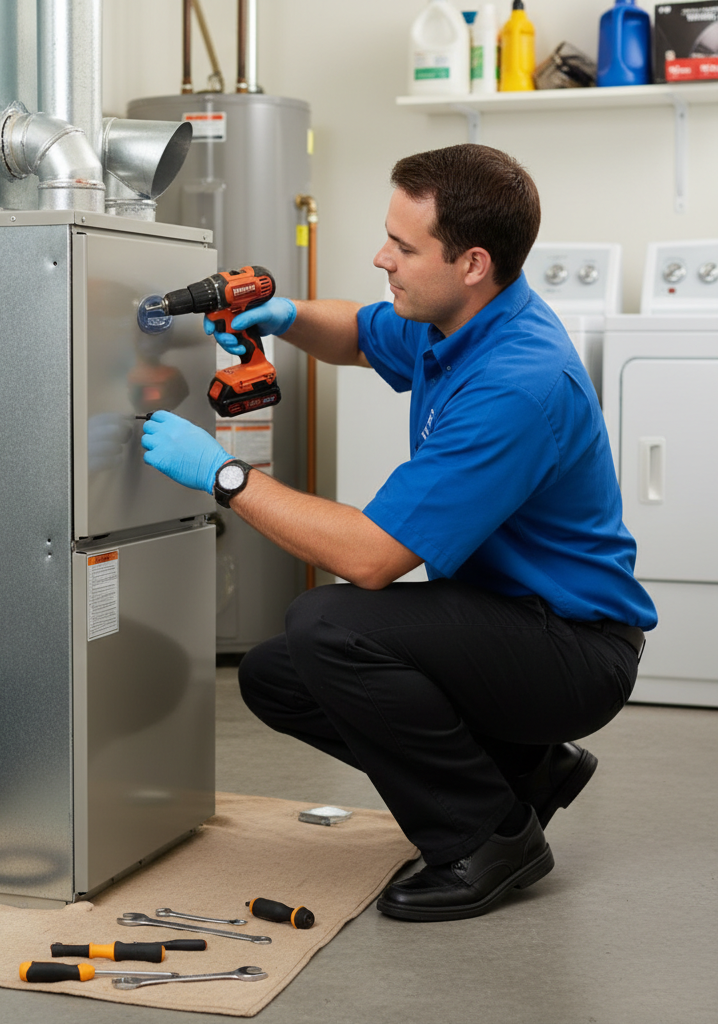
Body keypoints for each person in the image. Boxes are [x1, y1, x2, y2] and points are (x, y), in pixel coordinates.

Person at [140, 143, 657, 922]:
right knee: (276, 674)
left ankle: (488, 837)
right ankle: (526, 771)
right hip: (511, 617)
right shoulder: (461, 315)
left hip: (573, 648)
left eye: (404, 247)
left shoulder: (518, 382)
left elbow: (371, 558)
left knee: (329, 622)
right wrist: (285, 317)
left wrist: (223, 474)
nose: (382, 257)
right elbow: (357, 332)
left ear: (473, 261)